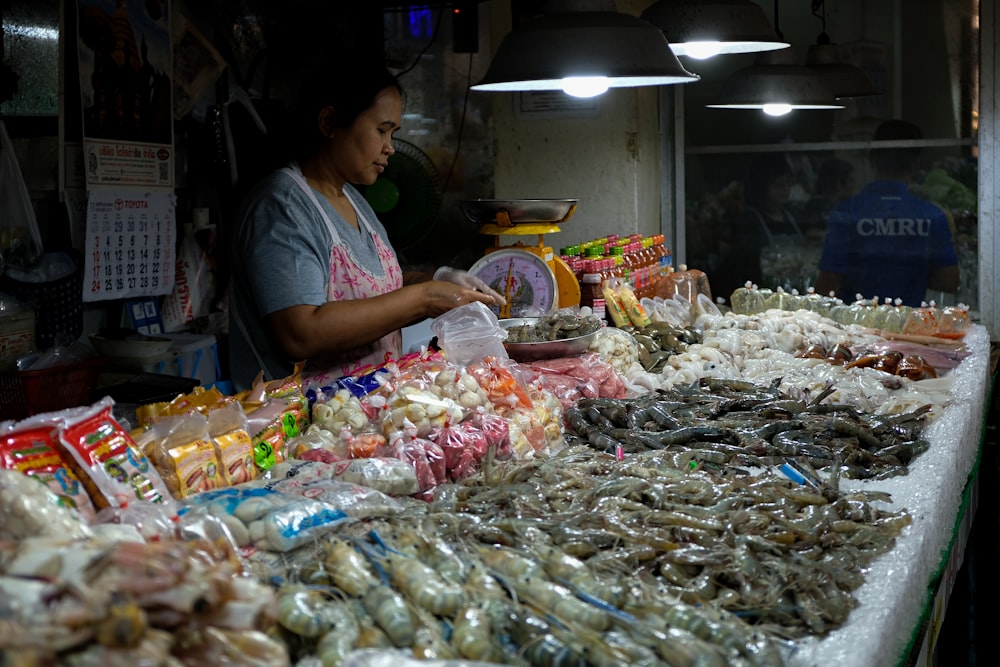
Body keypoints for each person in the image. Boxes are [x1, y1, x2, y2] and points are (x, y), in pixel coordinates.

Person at [229, 61, 503, 391]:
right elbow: (301, 334)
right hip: (303, 426)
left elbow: (376, 288)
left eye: (393, 133)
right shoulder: (282, 206)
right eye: (381, 130)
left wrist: (440, 279)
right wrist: (425, 298)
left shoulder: (353, 199)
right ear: (330, 122)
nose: (390, 147)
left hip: (366, 412)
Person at [814, 119, 959, 307]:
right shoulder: (932, 216)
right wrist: (911, 276)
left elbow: (828, 283)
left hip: (855, 328)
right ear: (915, 164)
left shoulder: (847, 213)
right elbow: (949, 281)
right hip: (908, 326)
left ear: (872, 159)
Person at [714, 153, 805, 298]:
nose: (785, 189)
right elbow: (743, 263)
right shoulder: (749, 219)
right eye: (778, 185)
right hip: (762, 294)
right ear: (762, 187)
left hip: (792, 293)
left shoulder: (792, 216)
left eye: (788, 183)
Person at [800, 157, 855, 241]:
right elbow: (811, 233)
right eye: (850, 181)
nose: (853, 185)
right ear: (838, 184)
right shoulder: (817, 204)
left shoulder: (843, 206)